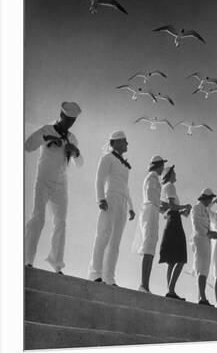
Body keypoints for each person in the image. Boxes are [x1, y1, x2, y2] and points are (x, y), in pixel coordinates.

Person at [24, 101, 83, 273]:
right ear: (61, 115)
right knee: (38, 218)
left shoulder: (73, 138)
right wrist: (46, 138)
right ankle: (27, 259)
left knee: (61, 223)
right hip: (43, 180)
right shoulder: (46, 129)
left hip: (61, 184)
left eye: (73, 120)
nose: (70, 123)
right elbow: (28, 146)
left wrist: (76, 151)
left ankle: (57, 264)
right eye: (68, 119)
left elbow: (80, 163)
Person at [87, 131, 135, 286]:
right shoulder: (107, 158)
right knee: (103, 235)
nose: (127, 144)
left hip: (122, 201)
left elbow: (126, 188)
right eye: (125, 141)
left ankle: (109, 277)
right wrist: (100, 198)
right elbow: (99, 179)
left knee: (115, 242)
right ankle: (95, 274)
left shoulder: (124, 165)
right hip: (111, 198)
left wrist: (131, 207)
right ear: (115, 142)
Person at [158, 166, 192, 300]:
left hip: (172, 220)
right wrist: (185, 206)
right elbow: (172, 206)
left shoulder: (166, 187)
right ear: (170, 175)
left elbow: (169, 209)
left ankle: (170, 290)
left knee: (172, 260)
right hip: (174, 222)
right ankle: (171, 290)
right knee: (181, 258)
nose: (176, 174)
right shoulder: (170, 186)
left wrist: (183, 211)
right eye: (174, 172)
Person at [136, 155, 167, 293]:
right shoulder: (151, 177)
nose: (163, 168)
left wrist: (160, 207)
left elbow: (154, 198)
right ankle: (143, 284)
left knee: (151, 248)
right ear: (157, 165)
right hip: (149, 212)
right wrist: (163, 204)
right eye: (161, 165)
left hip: (153, 211)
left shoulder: (154, 178)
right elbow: (150, 196)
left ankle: (146, 285)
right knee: (148, 246)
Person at [190, 188, 217, 305]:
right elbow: (196, 225)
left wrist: (211, 232)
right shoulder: (196, 208)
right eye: (210, 198)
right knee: (201, 268)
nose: (211, 200)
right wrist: (209, 233)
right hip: (200, 239)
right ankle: (202, 297)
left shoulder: (205, 209)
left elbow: (205, 225)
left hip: (206, 241)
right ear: (205, 198)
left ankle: (201, 297)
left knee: (205, 269)